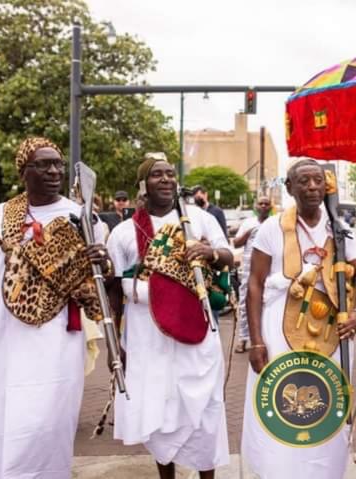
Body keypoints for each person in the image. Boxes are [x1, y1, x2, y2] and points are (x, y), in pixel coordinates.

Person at [0, 137, 111, 478]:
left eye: (58, 163)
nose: (54, 170)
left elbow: (98, 293)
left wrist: (102, 263)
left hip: (53, 346)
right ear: (23, 172)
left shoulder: (84, 220)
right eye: (44, 164)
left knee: (43, 428)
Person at [241, 159, 356, 479]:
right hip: (277, 331)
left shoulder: (339, 230)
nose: (312, 187)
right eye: (304, 181)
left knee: (326, 402)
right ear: (289, 188)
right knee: (278, 400)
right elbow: (255, 285)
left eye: (318, 180)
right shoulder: (272, 228)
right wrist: (256, 340)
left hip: (331, 330)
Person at [106, 155, 233, 479]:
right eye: (156, 175)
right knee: (159, 410)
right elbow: (113, 290)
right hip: (146, 334)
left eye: (170, 174)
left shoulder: (199, 220)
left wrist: (210, 253)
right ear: (143, 185)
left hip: (196, 329)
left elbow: (230, 257)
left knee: (205, 409)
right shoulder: (124, 232)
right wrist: (114, 343)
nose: (165, 180)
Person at [232, 195, 272, 353]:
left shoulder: (274, 223)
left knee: (266, 303)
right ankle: (242, 339)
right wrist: (250, 232)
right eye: (260, 203)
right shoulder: (248, 223)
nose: (263, 206)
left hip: (268, 269)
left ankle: (263, 339)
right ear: (256, 206)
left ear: (270, 207)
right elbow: (236, 243)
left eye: (266, 203)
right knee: (244, 303)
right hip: (249, 268)